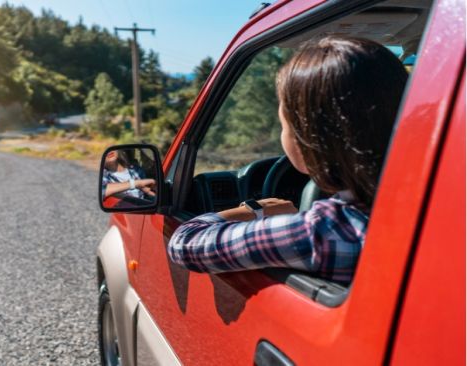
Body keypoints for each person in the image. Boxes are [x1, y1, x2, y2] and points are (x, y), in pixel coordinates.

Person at [168, 36, 408, 285]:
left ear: (309, 141)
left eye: (284, 125)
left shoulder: (321, 232)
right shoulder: (437, 202)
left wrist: (256, 210)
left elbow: (184, 242)